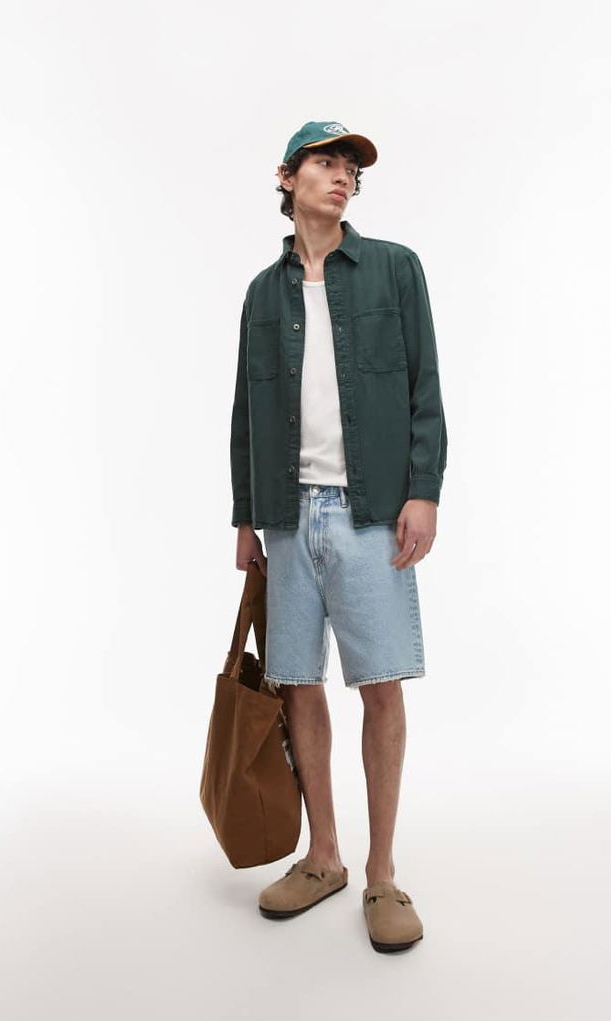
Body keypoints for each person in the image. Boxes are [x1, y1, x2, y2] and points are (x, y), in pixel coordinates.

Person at [229, 120, 448, 953]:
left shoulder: (394, 268)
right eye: (325, 162)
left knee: (380, 684)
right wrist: (245, 515)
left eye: (350, 166)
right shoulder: (263, 293)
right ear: (287, 177)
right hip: (286, 515)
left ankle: (382, 872)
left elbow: (427, 386)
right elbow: (246, 409)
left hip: (369, 510)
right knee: (296, 684)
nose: (342, 176)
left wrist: (422, 491)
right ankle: (323, 857)